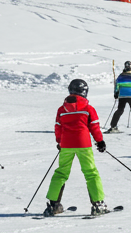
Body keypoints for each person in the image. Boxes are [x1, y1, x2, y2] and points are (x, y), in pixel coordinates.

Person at [44, 78, 109, 217]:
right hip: (83, 144)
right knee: (91, 172)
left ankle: (53, 205)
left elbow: (58, 127)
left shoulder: (62, 109)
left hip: (66, 144)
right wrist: (100, 141)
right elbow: (94, 127)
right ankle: (98, 204)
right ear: (85, 92)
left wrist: (60, 141)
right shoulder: (88, 108)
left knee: (61, 173)